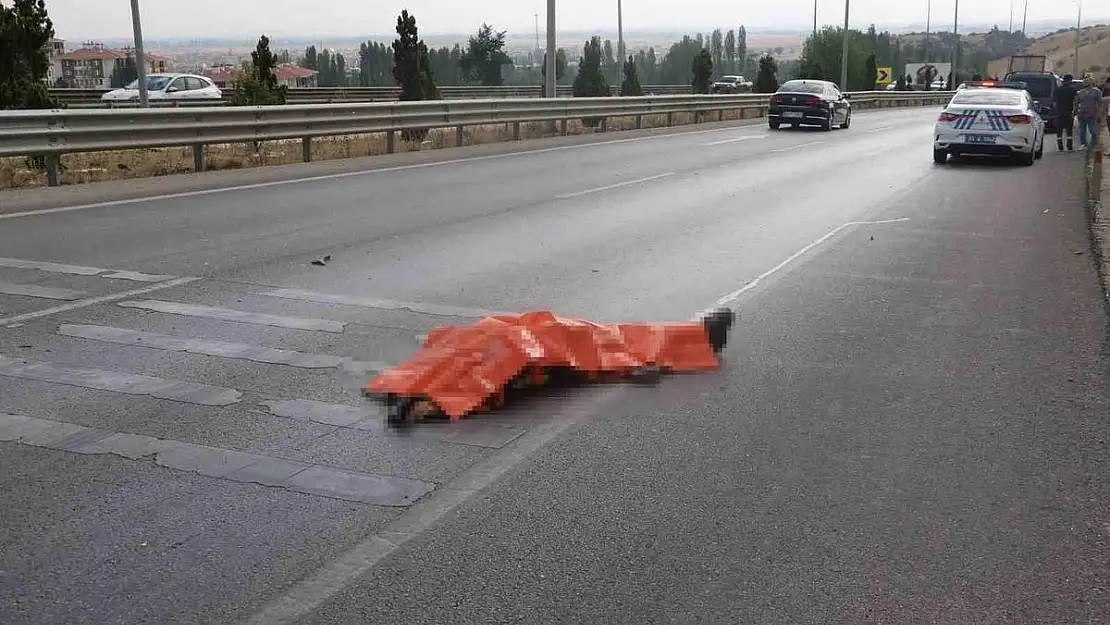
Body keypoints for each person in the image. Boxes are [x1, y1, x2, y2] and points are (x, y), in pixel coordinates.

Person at [1074, 75, 1103, 149]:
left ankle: (1093, 145)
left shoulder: (1096, 91)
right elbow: (1076, 102)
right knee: (1082, 130)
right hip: (1082, 113)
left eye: (1087, 81)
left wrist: (1099, 113)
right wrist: (1076, 111)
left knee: (1093, 131)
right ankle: (1083, 144)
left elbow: (1100, 103)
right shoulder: (1080, 92)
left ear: (1091, 82)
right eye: (1085, 81)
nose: (1085, 83)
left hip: (1092, 114)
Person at [1055, 74, 1077, 151]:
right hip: (1068, 112)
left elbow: (1055, 101)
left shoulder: (1058, 90)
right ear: (1070, 80)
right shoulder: (1072, 90)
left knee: (1059, 131)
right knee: (1069, 131)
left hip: (1059, 113)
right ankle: (1069, 146)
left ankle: (1060, 146)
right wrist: (1075, 111)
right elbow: (1075, 101)